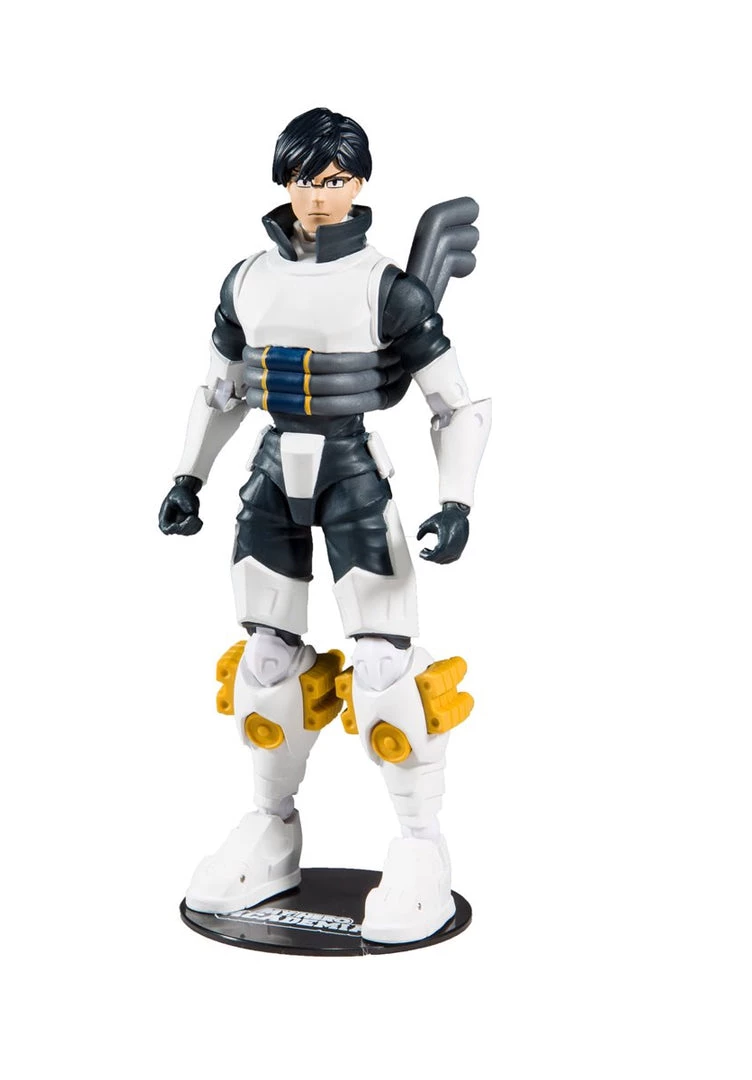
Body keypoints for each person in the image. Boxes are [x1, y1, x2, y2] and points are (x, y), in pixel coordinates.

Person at [159, 107, 491, 944]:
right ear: (285, 182)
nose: (319, 195)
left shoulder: (388, 288)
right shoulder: (246, 280)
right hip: (273, 473)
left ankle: (420, 848)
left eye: (336, 179)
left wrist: (456, 502)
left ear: (359, 183)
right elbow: (221, 390)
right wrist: (188, 477)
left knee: (385, 667)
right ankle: (270, 827)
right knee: (266, 660)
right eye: (306, 179)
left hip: (350, 473)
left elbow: (455, 404)